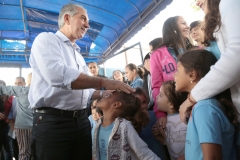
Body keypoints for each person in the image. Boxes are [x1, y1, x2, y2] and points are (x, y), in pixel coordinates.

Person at [29, 4, 134, 160]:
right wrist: (103, 82)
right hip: (53, 123)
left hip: (81, 122)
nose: (87, 25)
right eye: (83, 18)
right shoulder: (46, 39)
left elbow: (87, 91)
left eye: (88, 21)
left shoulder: (78, 55)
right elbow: (57, 75)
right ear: (67, 18)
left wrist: (105, 93)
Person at [180, 0, 240, 156]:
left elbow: (237, 54)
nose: (197, 2)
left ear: (193, 74)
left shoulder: (229, 3)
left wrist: (192, 97)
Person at [175, 49, 238, 160]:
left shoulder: (204, 108)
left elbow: (212, 157)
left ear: (192, 74)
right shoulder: (202, 106)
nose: (173, 76)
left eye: (177, 70)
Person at [92, 90, 161, 160]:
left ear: (116, 104)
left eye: (109, 95)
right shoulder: (98, 126)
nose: (104, 95)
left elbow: (144, 154)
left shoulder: (124, 126)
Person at [150, 16, 193, 124]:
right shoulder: (157, 55)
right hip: (174, 113)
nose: (188, 26)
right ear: (172, 28)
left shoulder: (196, 50)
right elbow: (157, 87)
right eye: (183, 23)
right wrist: (160, 114)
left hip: (197, 104)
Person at [152, 81, 187, 160]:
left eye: (160, 95)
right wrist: (159, 137)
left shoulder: (185, 118)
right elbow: (171, 143)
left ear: (171, 104)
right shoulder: (164, 121)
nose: (156, 97)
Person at [1, 76, 33, 160]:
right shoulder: (14, 99)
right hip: (16, 129)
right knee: (18, 152)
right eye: (15, 83)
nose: (17, 85)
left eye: (20, 83)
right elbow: (11, 115)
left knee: (24, 153)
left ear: (25, 83)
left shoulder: (27, 93)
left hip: (26, 127)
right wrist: (14, 129)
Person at [133, 87, 166, 159]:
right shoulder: (130, 123)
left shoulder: (155, 116)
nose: (142, 106)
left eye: (144, 102)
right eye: (138, 103)